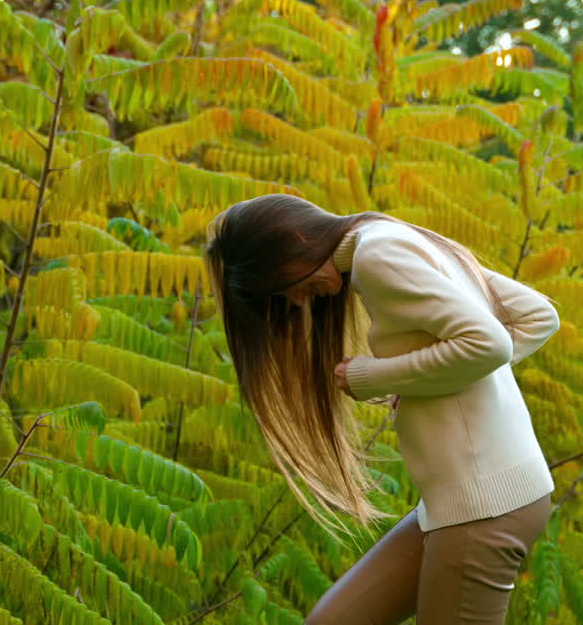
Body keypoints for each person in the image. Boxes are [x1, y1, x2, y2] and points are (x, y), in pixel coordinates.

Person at [204, 194, 561, 624]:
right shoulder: (394, 238)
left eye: (281, 287)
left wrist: (376, 375)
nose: (296, 302)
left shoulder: (377, 254)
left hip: (484, 506)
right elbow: (536, 316)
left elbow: (488, 344)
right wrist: (430, 377)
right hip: (460, 501)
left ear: (292, 241)